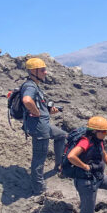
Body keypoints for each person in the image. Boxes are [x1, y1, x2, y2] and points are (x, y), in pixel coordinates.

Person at [21, 57, 67, 195]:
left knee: (62, 135)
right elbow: (27, 100)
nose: (45, 73)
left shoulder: (35, 85)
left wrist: (48, 111)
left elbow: (37, 104)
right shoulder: (29, 86)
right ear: (33, 71)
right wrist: (36, 112)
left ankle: (58, 165)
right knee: (39, 159)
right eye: (42, 70)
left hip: (44, 126)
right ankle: (39, 189)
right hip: (39, 129)